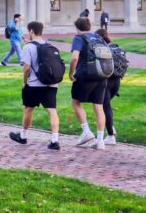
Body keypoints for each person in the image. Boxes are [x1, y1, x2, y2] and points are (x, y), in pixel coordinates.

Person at [8, 21, 61, 150]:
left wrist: (24, 83)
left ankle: (23, 136)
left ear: (31, 31)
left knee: (28, 109)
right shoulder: (49, 45)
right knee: (52, 111)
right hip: (51, 83)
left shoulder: (28, 47)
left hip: (34, 84)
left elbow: (26, 68)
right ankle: (55, 140)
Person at [70, 17, 108, 150]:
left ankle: (86, 131)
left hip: (85, 76)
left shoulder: (79, 38)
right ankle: (100, 141)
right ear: (89, 26)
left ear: (77, 28)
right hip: (101, 76)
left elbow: (75, 57)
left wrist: (71, 73)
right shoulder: (99, 38)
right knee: (99, 107)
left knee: (75, 102)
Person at [96, 29, 120, 146]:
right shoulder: (114, 47)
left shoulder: (101, 48)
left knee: (105, 107)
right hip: (116, 82)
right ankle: (111, 128)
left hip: (107, 81)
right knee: (106, 107)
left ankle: (111, 135)